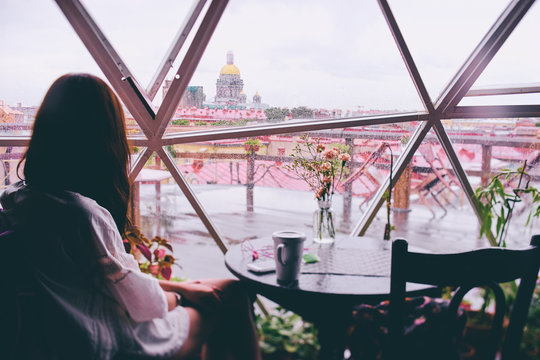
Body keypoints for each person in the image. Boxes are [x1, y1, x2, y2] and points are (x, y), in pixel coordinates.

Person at [2, 73, 261, 360]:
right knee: (229, 297)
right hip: (112, 340)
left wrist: (182, 287)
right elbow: (142, 301)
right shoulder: (82, 215)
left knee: (222, 291)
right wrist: (181, 295)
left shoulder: (17, 199)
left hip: (65, 333)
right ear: (103, 138)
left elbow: (114, 277)